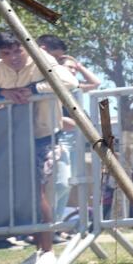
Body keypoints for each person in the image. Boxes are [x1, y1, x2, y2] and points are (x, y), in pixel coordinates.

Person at [0, 31, 78, 264]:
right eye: (6, 53)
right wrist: (0, 93)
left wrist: (34, 90)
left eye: (17, 50)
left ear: (25, 48)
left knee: (41, 190)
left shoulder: (42, 59)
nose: (13, 57)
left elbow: (70, 81)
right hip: (12, 140)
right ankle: (39, 249)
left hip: (44, 137)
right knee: (26, 193)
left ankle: (47, 250)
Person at [36, 34, 100, 223]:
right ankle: (47, 225)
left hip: (75, 139)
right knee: (59, 183)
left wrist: (77, 65)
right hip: (60, 137)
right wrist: (66, 122)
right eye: (68, 68)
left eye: (74, 69)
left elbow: (96, 83)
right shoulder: (53, 84)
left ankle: (54, 225)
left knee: (68, 182)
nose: (73, 71)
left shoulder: (74, 86)